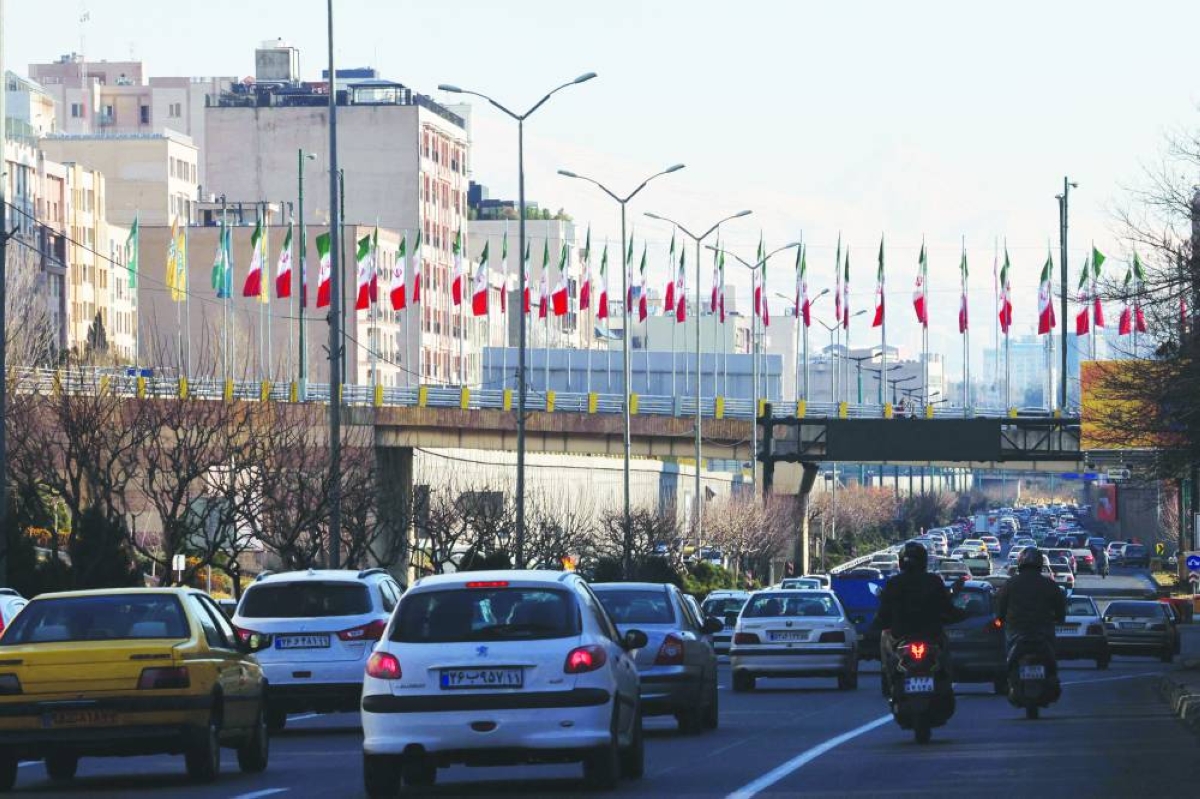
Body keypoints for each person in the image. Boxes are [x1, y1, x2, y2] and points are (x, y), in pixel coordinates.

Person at [872, 541, 967, 697]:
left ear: (901, 562)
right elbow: (947, 608)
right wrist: (959, 615)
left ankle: (893, 681)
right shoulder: (933, 581)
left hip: (912, 637)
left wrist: (876, 625)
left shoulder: (894, 583)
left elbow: (883, 613)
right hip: (925, 636)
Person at [996, 548, 1066, 675]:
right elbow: (1060, 607)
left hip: (1018, 631)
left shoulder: (1011, 583)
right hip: (1041, 631)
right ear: (1040, 564)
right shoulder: (1049, 584)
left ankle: (1008, 677)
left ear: (1020, 564)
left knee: (1008, 659)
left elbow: (1000, 607)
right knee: (1051, 658)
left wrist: (1000, 619)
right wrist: (1060, 618)